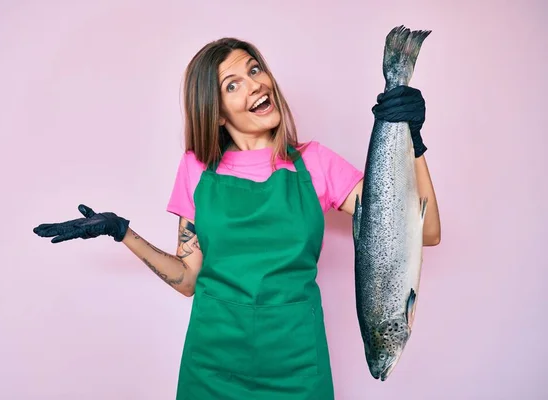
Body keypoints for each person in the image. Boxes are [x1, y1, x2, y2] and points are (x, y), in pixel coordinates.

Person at [33, 37, 441, 399]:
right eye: (233, 85)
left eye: (254, 69)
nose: (255, 84)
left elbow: (425, 232)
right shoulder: (196, 168)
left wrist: (413, 143)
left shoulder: (314, 162)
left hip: (298, 367)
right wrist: (122, 232)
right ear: (217, 112)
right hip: (212, 368)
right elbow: (188, 279)